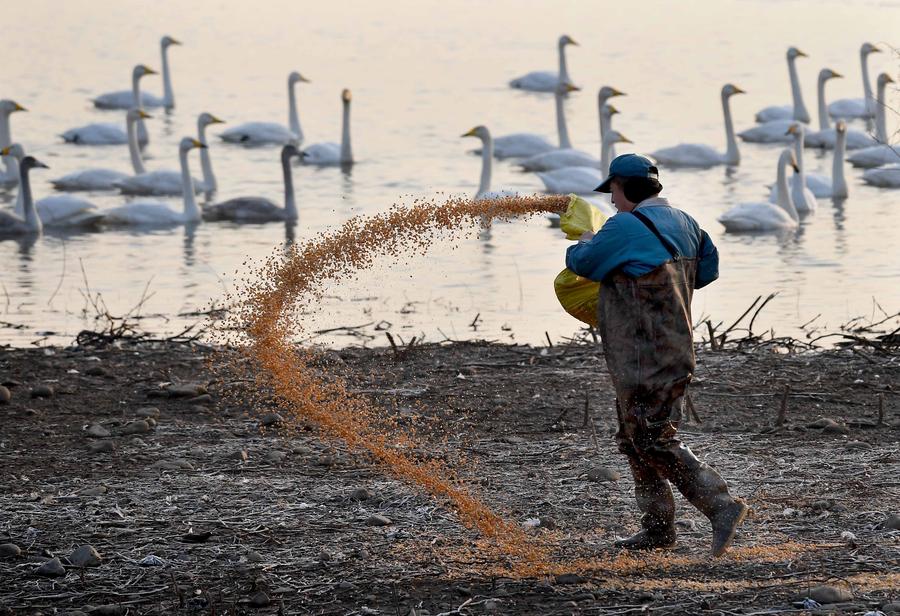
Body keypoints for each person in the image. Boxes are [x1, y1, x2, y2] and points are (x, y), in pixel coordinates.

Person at [565, 154, 747, 557]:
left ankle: (721, 505)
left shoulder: (625, 225)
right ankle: (657, 530)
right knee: (635, 440)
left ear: (627, 187)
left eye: (612, 190)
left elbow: (583, 262)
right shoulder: (686, 222)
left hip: (642, 353)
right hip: (672, 348)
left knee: (651, 438)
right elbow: (707, 272)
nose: (611, 200)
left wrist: (583, 238)